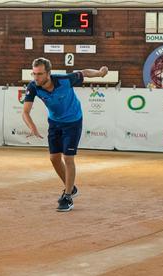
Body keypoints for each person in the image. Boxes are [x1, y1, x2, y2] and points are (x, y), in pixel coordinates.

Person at [22, 57, 108, 212]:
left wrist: (101, 73)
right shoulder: (33, 86)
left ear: (48, 73)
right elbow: (25, 112)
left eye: (39, 74)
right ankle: (71, 188)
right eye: (34, 74)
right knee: (54, 158)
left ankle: (67, 196)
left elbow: (85, 72)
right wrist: (32, 126)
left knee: (68, 158)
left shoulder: (65, 80)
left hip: (73, 121)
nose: (36, 78)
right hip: (54, 123)